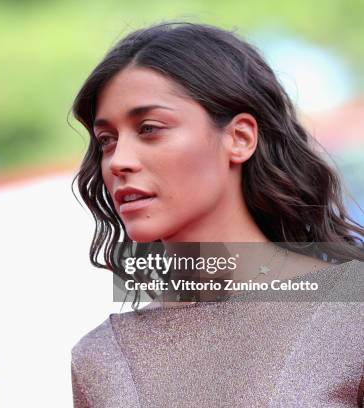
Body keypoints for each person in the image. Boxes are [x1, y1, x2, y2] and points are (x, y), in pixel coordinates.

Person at [69, 21, 364, 407]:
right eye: (107, 140)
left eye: (149, 128)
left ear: (239, 138)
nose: (118, 161)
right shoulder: (101, 359)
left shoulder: (351, 314)